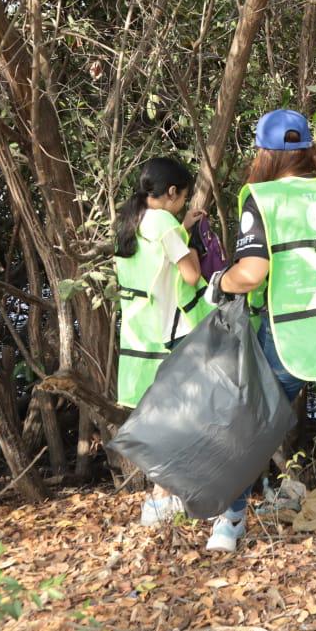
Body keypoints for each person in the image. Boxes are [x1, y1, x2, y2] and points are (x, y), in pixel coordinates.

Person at [205, 109, 316, 568]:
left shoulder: (264, 198)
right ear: (307, 149)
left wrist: (217, 284)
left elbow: (251, 274)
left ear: (266, 153)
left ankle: (230, 522)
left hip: (293, 335)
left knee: (254, 428)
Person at [113, 156, 211, 525]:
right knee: (180, 417)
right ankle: (163, 496)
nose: (184, 204)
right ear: (171, 193)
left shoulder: (131, 219)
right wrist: (192, 245)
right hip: (171, 335)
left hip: (140, 333)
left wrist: (182, 227)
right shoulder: (165, 224)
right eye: (183, 198)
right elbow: (190, 274)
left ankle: (160, 497)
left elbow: (155, 254)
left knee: (157, 416)